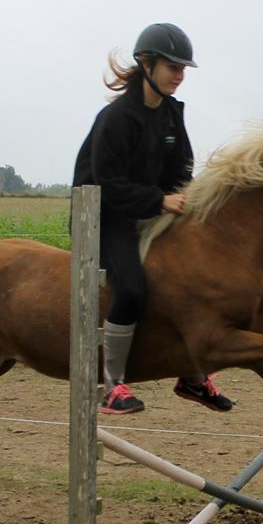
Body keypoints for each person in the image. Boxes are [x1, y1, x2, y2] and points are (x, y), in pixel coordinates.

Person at [72, 22, 234, 416]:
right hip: (103, 217)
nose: (179, 75)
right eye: (172, 66)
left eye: (183, 69)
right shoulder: (114, 119)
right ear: (146, 64)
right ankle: (112, 386)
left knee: (197, 274)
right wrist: (161, 200)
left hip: (150, 210)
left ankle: (193, 376)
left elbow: (181, 172)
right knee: (130, 288)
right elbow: (109, 185)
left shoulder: (172, 116)